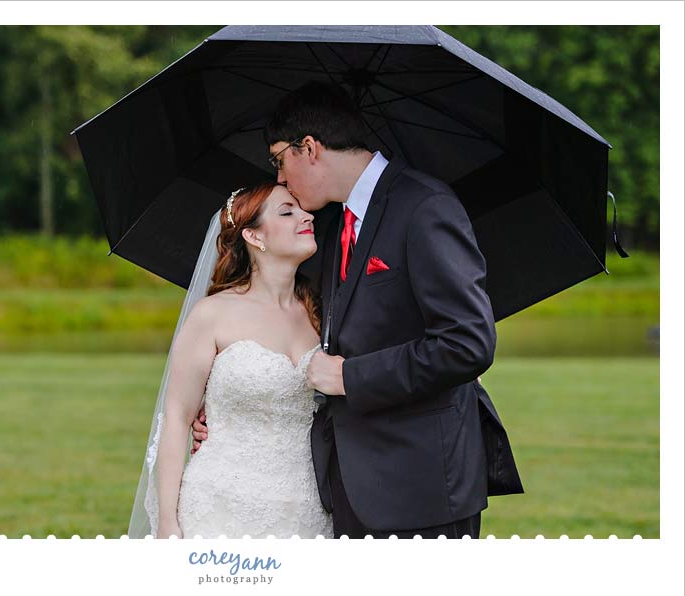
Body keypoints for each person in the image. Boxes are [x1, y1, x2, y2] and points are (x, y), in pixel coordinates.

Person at [192, 81, 523, 539]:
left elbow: (467, 344)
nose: (281, 179)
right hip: (344, 488)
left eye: (278, 160)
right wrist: (228, 412)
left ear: (308, 148)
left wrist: (352, 377)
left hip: (421, 487)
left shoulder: (425, 207)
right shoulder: (329, 226)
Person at [127, 180, 333, 539]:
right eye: (288, 212)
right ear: (254, 237)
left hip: (306, 508)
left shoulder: (322, 313)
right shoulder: (213, 314)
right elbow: (176, 418)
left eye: (302, 208)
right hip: (221, 504)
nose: (306, 216)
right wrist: (167, 522)